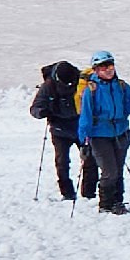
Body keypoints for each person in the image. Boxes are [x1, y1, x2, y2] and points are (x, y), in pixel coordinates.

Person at [74, 51, 130, 214]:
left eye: (110, 65)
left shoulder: (122, 86)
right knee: (109, 171)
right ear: (96, 70)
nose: (108, 69)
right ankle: (105, 203)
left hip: (121, 134)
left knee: (117, 170)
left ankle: (117, 201)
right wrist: (84, 141)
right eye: (103, 67)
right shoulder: (91, 90)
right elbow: (86, 117)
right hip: (99, 136)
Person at [29, 59, 84, 201]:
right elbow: (35, 108)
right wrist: (41, 112)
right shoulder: (48, 86)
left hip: (81, 127)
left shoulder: (81, 80)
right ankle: (68, 193)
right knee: (62, 163)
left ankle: (88, 192)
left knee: (90, 159)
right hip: (60, 129)